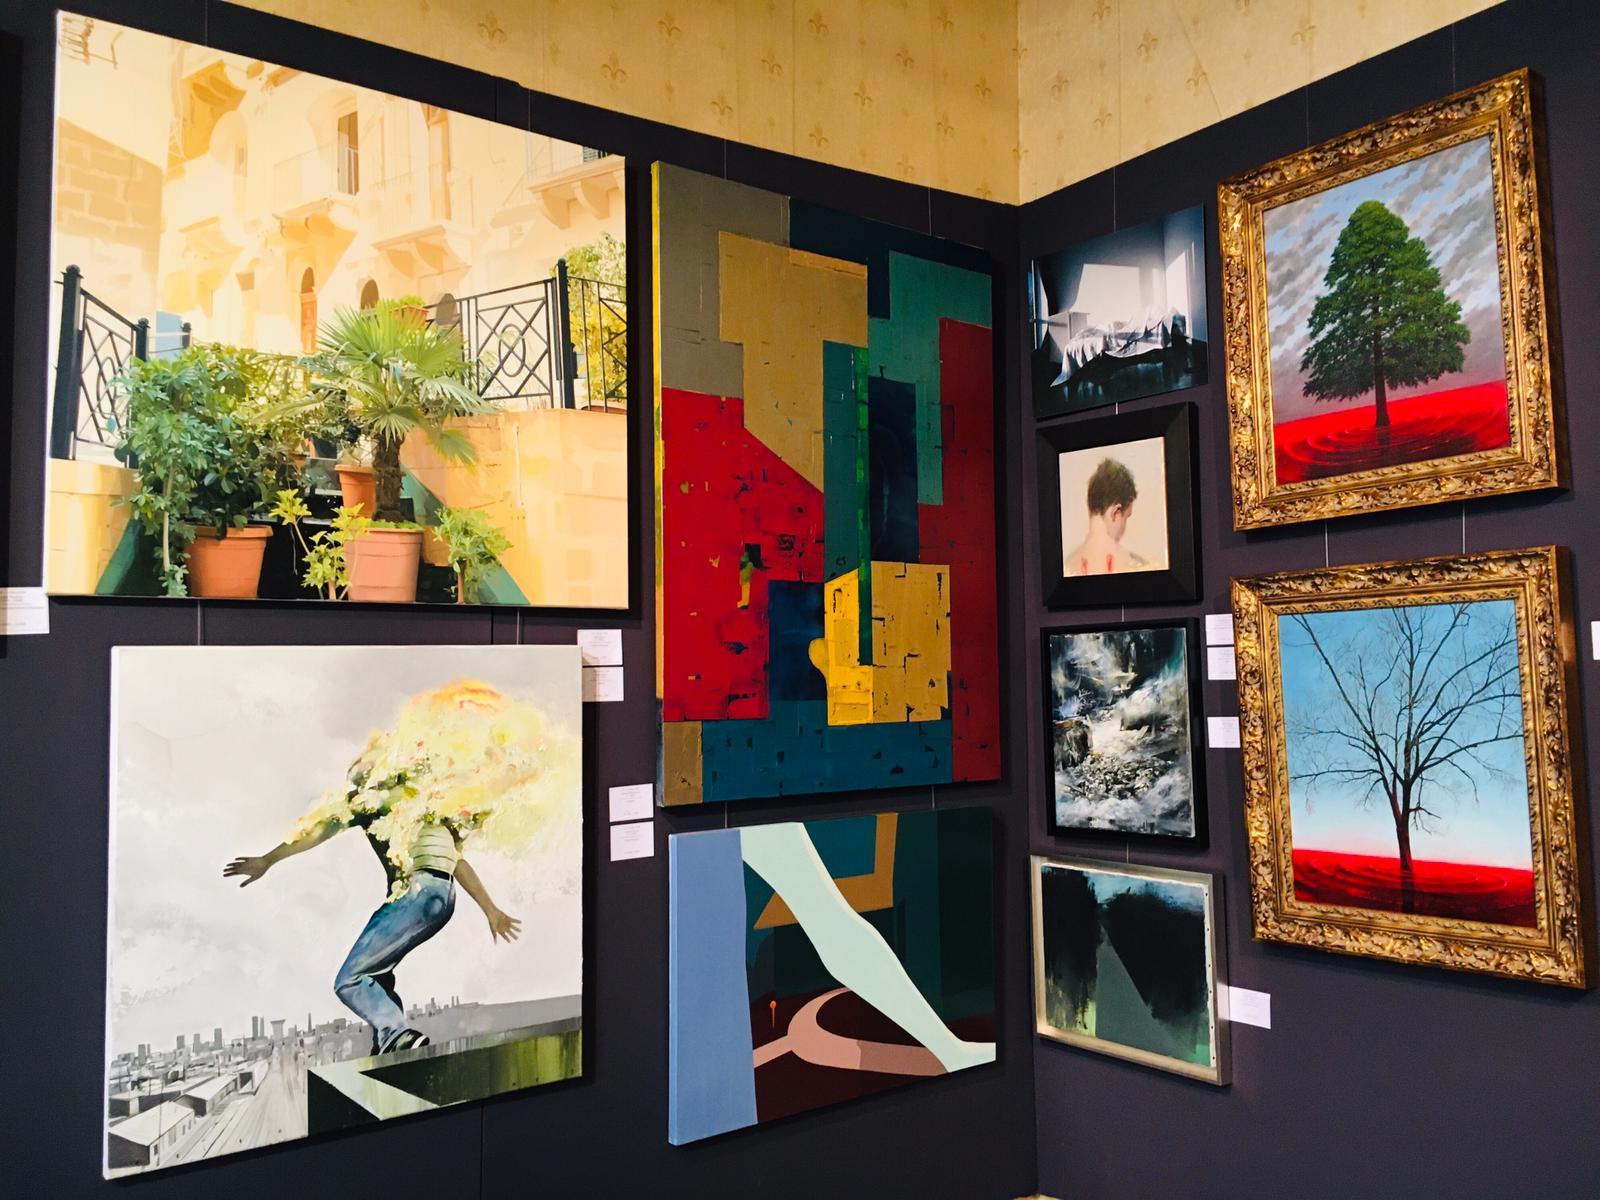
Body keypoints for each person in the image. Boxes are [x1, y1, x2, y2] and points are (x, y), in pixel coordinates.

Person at [224, 683, 526, 1057]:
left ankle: (396, 1033)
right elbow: (456, 861)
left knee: (349, 980)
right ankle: (388, 1043)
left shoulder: (371, 799)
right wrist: (490, 910)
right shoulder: (423, 802)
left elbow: (316, 831)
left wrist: (267, 860)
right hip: (442, 897)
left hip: (414, 896)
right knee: (379, 973)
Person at [1063, 456, 1147, 577]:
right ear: (1116, 512)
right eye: (1126, 517)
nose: (1125, 527)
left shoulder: (1066, 565)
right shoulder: (1138, 566)